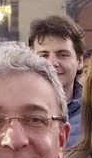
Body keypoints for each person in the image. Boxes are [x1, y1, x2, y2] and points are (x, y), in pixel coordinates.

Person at [28, 14, 85, 148]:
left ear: (80, 61)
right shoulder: (15, 110)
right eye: (43, 55)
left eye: (62, 55)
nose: (52, 63)